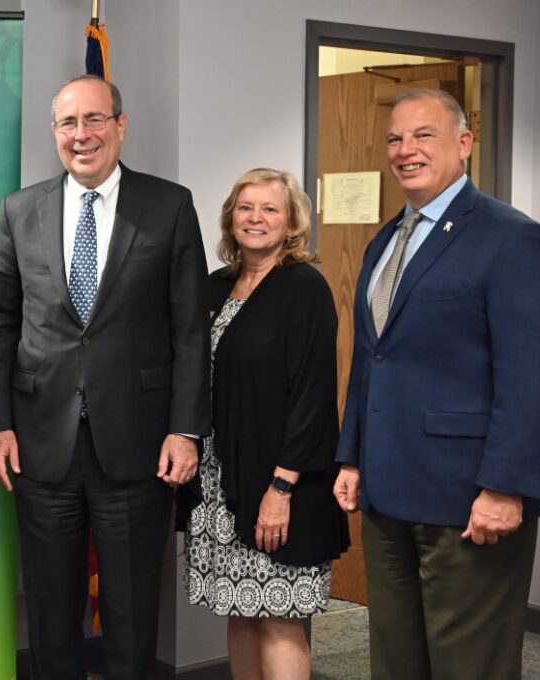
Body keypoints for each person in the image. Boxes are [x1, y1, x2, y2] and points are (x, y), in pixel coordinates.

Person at [0, 74, 209, 680]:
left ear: (120, 125)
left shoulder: (169, 206)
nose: (81, 135)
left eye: (94, 120)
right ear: (54, 132)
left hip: (138, 445)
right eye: (68, 123)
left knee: (131, 613)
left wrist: (185, 429)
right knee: (50, 612)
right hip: (39, 445)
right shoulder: (18, 210)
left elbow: (190, 329)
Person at [333, 88, 540, 680]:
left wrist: (505, 487)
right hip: (387, 494)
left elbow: (532, 377)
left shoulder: (513, 238)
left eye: (422, 135)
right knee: (396, 662)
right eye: (394, 138)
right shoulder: (385, 241)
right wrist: (352, 455)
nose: (405, 149)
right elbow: (372, 360)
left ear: (464, 143)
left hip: (470, 499)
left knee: (469, 666)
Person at [180, 168, 349, 680]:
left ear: (291, 222)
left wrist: (282, 487)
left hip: (279, 481)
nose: (256, 218)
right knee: (239, 607)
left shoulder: (304, 288)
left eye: (270, 209)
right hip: (219, 482)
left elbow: (313, 400)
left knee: (279, 615)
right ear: (231, 218)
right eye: (246, 207)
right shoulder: (215, 286)